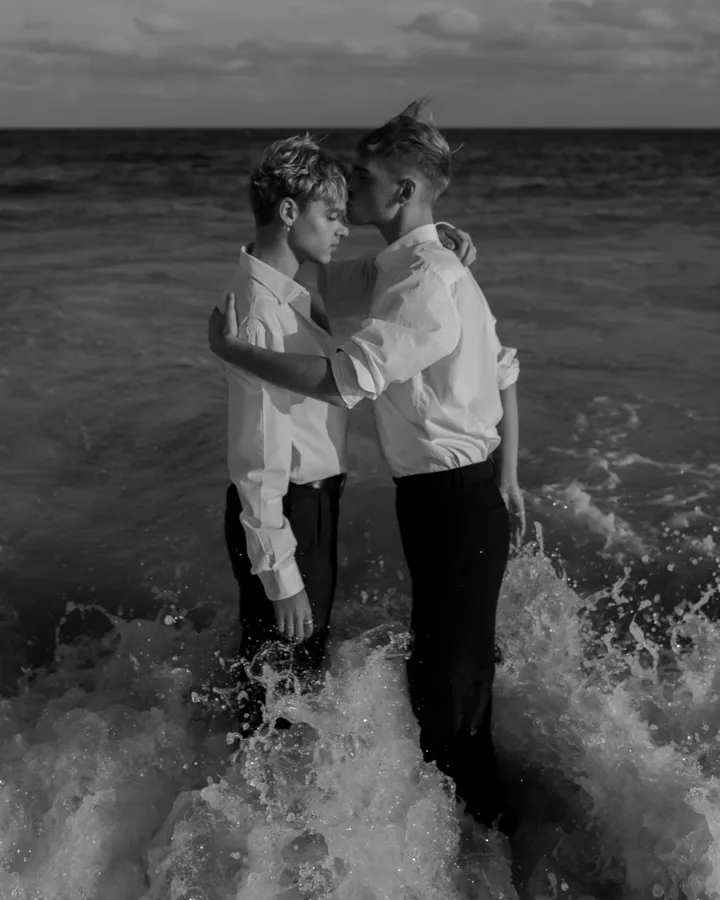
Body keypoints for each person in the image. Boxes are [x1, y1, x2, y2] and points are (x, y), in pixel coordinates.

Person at [208, 100, 524, 827]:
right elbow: (311, 285)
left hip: (453, 502)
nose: (349, 194)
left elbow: (342, 378)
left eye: (361, 177)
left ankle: (487, 844)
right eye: (340, 188)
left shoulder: (424, 281)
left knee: (448, 692)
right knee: (421, 680)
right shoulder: (391, 271)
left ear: (402, 190)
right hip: (425, 501)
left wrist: (233, 352)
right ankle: (270, 828)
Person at [218, 132, 476, 734]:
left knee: (283, 684)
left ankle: (250, 784)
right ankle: (240, 790)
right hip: (287, 511)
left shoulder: (292, 292)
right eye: (331, 215)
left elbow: (386, 275)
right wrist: (281, 576)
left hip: (307, 507)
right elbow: (255, 460)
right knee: (279, 692)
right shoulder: (260, 316)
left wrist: (436, 237)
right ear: (289, 212)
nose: (343, 227)